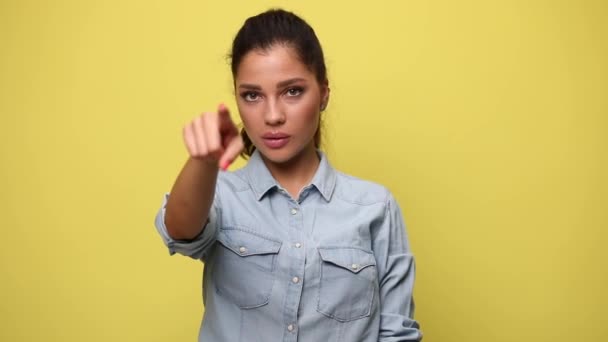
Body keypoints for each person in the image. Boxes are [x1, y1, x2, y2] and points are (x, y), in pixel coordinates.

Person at [154, 8, 422, 341]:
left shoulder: (375, 207)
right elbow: (179, 231)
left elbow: (396, 333)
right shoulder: (219, 194)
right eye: (252, 95)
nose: (272, 115)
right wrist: (203, 162)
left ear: (323, 92)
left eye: (292, 91)